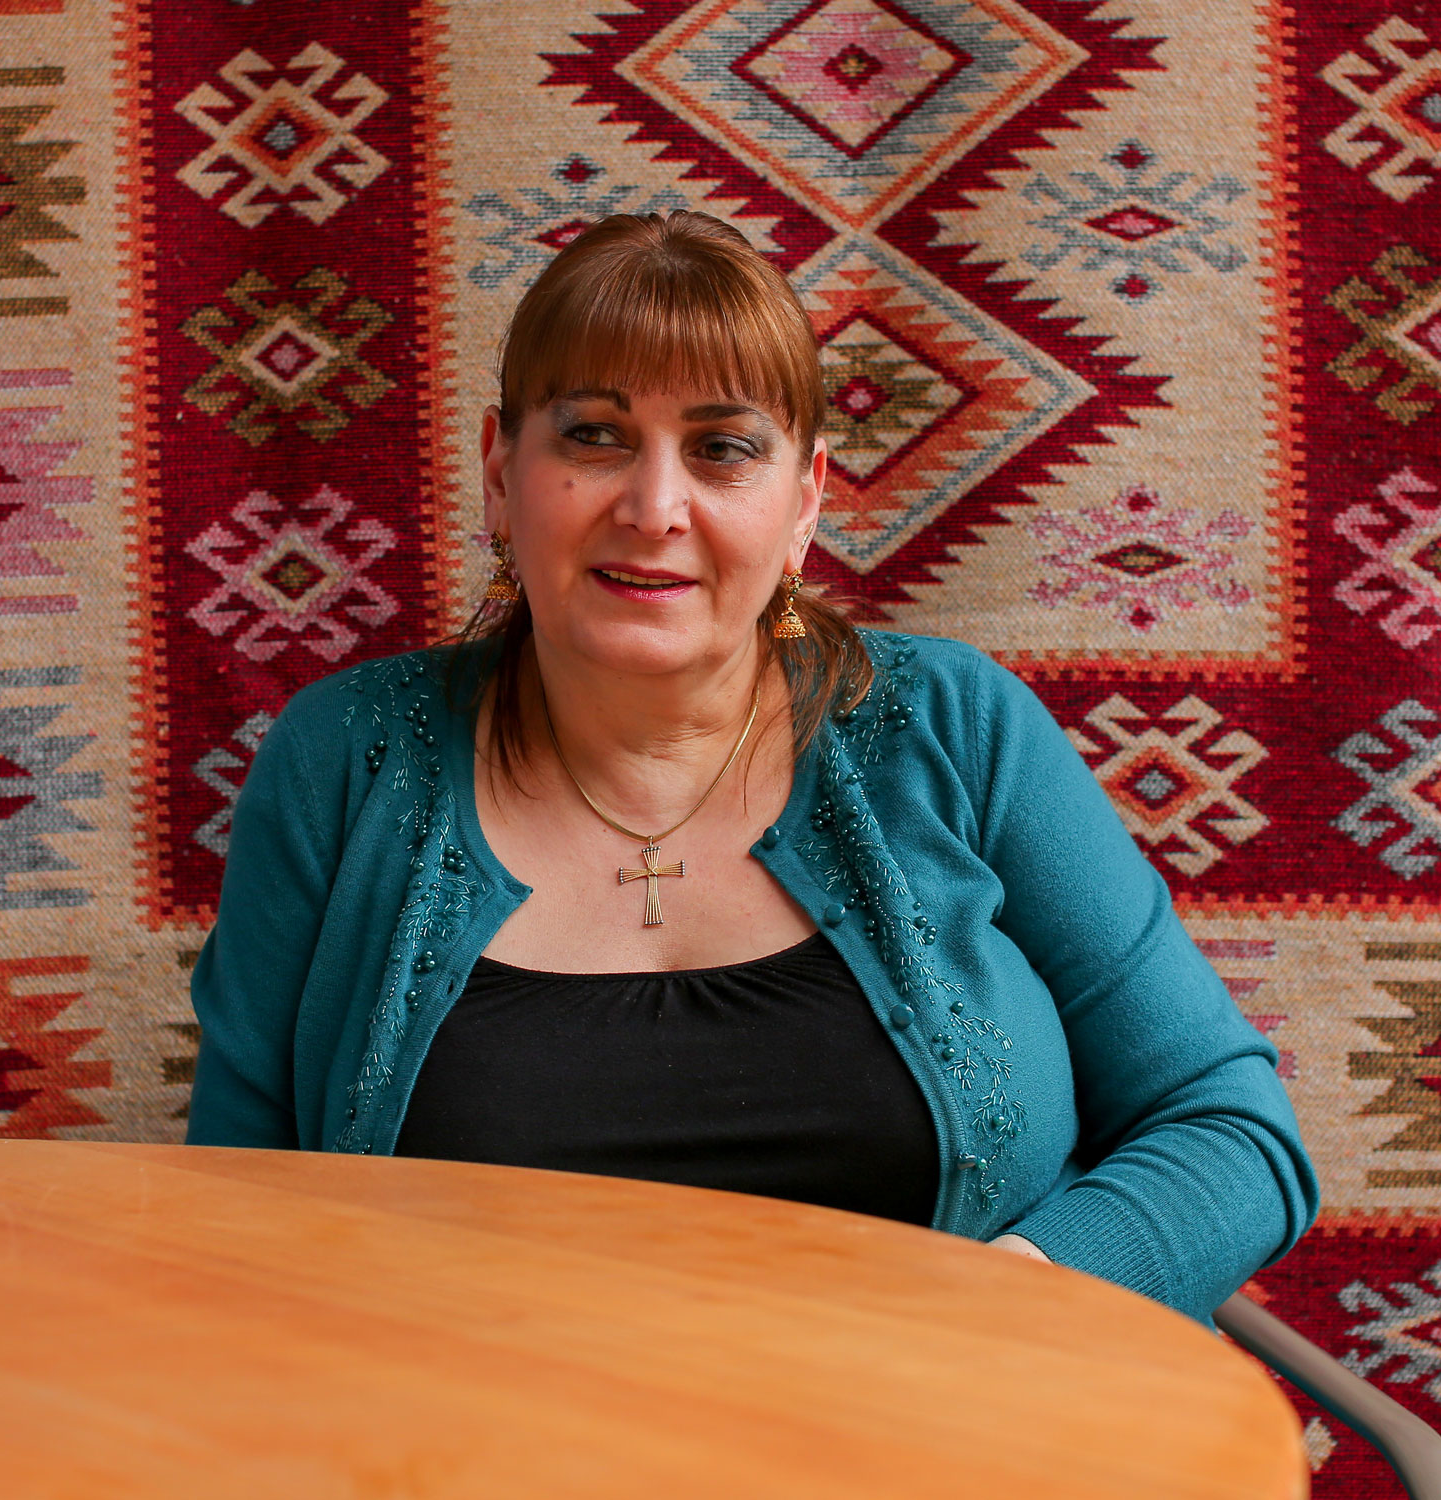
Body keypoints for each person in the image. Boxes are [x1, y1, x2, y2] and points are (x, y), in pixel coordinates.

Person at [186, 210, 1319, 1329]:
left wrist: (1001, 1313)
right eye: (594, 436)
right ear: (500, 470)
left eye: (722, 449)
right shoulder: (345, 762)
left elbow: (1231, 1132)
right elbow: (238, 1228)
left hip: (951, 1419)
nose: (654, 509)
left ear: (804, 500)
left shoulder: (953, 727)